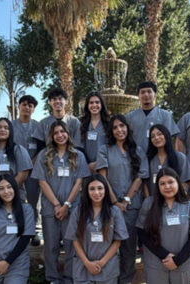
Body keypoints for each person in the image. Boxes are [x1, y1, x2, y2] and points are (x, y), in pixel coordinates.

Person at [32, 120, 91, 283]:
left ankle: (70, 277)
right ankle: (53, 278)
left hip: (72, 209)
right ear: (51, 136)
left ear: (68, 134)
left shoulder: (78, 156)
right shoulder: (44, 155)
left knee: (71, 244)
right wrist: (57, 205)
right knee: (51, 246)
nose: (59, 135)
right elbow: (41, 182)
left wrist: (67, 205)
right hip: (50, 209)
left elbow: (79, 182)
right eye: (56, 133)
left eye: (62, 132)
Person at [96, 114, 149, 283]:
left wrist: (126, 200)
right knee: (106, 244)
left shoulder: (138, 151)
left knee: (128, 247)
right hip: (109, 206)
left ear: (127, 128)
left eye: (122, 126)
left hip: (131, 207)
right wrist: (114, 202)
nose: (119, 130)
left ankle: (126, 279)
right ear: (111, 131)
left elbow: (140, 177)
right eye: (115, 127)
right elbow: (102, 177)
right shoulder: (104, 150)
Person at [136, 167, 190, 284]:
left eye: (170, 182)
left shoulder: (189, 206)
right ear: (157, 187)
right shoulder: (149, 204)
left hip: (182, 264)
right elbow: (142, 233)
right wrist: (165, 255)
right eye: (162, 183)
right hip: (156, 264)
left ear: (178, 183)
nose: (167, 186)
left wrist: (177, 261)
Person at [65, 174, 129, 284]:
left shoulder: (114, 212)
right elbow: (74, 240)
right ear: (86, 191)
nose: (96, 193)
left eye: (100, 188)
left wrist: (102, 262)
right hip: (83, 267)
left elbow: (118, 241)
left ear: (105, 190)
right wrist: (87, 263)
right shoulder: (78, 211)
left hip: (107, 267)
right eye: (92, 189)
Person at [12, 95, 41, 246]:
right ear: (18, 106)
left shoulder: (37, 126)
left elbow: (41, 148)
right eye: (24, 104)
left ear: (33, 109)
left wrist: (30, 164)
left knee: (33, 201)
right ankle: (19, 228)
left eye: (30, 105)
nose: (27, 107)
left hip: (32, 171)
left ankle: (34, 231)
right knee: (16, 200)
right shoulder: (10, 126)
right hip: (15, 171)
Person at [126, 81, 179, 153]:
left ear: (155, 95)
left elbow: (170, 139)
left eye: (149, 91)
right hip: (136, 157)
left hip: (158, 157)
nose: (146, 94)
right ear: (138, 96)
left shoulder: (165, 115)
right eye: (143, 92)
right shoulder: (130, 117)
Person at [146, 124, 190, 196]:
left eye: (159, 134)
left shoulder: (180, 157)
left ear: (166, 135)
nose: (156, 138)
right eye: (152, 136)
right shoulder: (148, 159)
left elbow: (185, 181)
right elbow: (144, 183)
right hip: (154, 202)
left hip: (175, 201)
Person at [80, 92, 110, 173]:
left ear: (102, 105)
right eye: (91, 103)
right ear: (87, 105)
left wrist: (99, 162)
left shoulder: (108, 124)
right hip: (86, 166)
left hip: (105, 166)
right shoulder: (82, 124)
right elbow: (80, 147)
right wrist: (88, 163)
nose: (94, 105)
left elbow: (112, 146)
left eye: (97, 102)